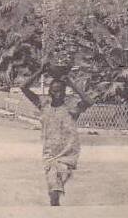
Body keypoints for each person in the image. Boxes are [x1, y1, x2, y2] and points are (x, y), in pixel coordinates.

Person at [20, 63, 96, 206]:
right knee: (54, 187)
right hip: (50, 154)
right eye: (55, 91)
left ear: (64, 92)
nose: (58, 94)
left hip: (68, 154)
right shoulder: (43, 105)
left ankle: (54, 204)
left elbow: (89, 101)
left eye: (61, 91)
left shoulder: (72, 108)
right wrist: (40, 71)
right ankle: (55, 205)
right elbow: (24, 87)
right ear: (50, 92)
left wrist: (71, 83)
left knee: (55, 187)